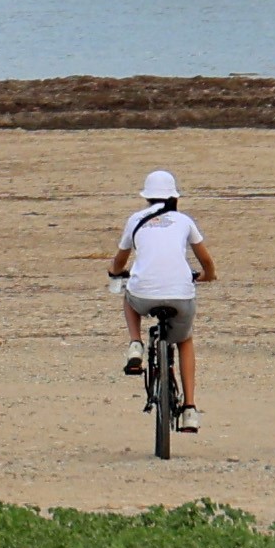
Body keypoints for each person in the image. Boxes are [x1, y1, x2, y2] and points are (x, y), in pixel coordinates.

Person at [106, 165, 214, 430]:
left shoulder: (135, 220)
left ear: (147, 196)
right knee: (185, 340)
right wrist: (207, 275)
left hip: (144, 294)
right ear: (173, 196)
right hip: (180, 294)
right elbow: (206, 260)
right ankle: (189, 408)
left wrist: (114, 272)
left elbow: (120, 261)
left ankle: (135, 344)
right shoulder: (184, 221)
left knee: (128, 293)